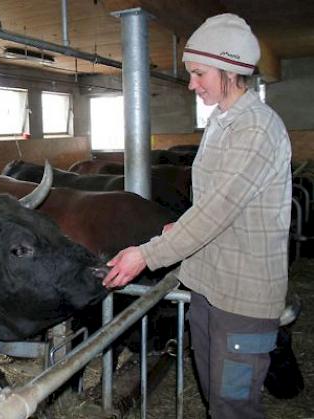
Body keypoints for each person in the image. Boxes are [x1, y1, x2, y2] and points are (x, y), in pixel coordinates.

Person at [102, 14, 292, 419]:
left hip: (243, 297)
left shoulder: (255, 128)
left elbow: (218, 209)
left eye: (199, 73)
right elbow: (212, 204)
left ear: (232, 69)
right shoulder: (222, 122)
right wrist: (181, 227)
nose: (192, 84)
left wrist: (147, 254)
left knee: (233, 406)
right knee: (215, 396)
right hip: (209, 285)